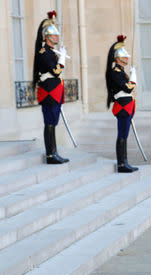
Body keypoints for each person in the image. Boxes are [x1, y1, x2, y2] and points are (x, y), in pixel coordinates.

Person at [32, 10, 69, 164]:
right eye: (54, 35)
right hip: (49, 92)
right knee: (49, 122)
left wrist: (59, 56)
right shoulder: (44, 52)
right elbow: (55, 71)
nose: (57, 37)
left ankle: (54, 152)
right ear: (47, 37)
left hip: (54, 91)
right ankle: (50, 154)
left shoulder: (51, 52)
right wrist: (62, 59)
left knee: (53, 122)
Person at [105, 35, 139, 173]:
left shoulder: (121, 72)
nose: (127, 59)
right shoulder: (115, 73)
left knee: (124, 135)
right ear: (118, 58)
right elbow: (128, 88)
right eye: (124, 57)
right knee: (122, 135)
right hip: (122, 107)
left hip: (127, 105)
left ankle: (124, 161)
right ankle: (121, 163)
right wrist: (133, 77)